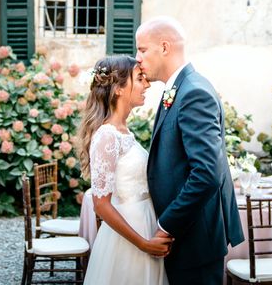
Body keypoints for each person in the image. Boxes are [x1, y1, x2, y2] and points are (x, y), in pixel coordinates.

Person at [135, 17, 244, 285]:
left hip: (194, 238)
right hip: (188, 236)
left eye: (142, 49)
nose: (137, 58)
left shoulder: (194, 93)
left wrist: (166, 225)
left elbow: (207, 174)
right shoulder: (178, 89)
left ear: (164, 47)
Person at [77, 55, 172, 285]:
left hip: (145, 222)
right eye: (140, 79)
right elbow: (101, 203)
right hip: (128, 237)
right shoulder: (107, 136)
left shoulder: (124, 132)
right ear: (119, 88)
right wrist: (142, 242)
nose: (147, 84)